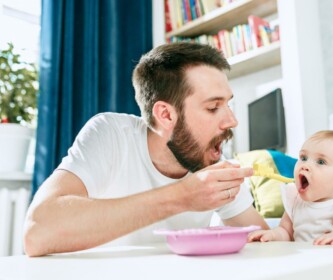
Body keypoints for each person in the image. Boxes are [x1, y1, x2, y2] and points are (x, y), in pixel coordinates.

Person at [23, 42, 269, 257]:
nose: (232, 120)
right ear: (165, 114)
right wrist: (182, 196)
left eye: (228, 104)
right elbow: (37, 232)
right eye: (213, 108)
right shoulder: (111, 135)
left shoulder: (208, 162)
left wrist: (296, 220)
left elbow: (263, 242)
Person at [248, 130, 333, 245]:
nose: (305, 165)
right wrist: (272, 235)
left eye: (321, 161)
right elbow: (285, 232)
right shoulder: (295, 201)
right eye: (303, 158)